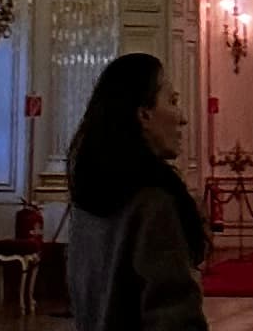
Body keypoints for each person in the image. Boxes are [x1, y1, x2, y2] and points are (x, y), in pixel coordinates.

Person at [62, 53, 208, 331]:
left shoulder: (88, 197)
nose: (184, 119)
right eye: (173, 101)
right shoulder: (153, 204)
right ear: (144, 114)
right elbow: (174, 317)